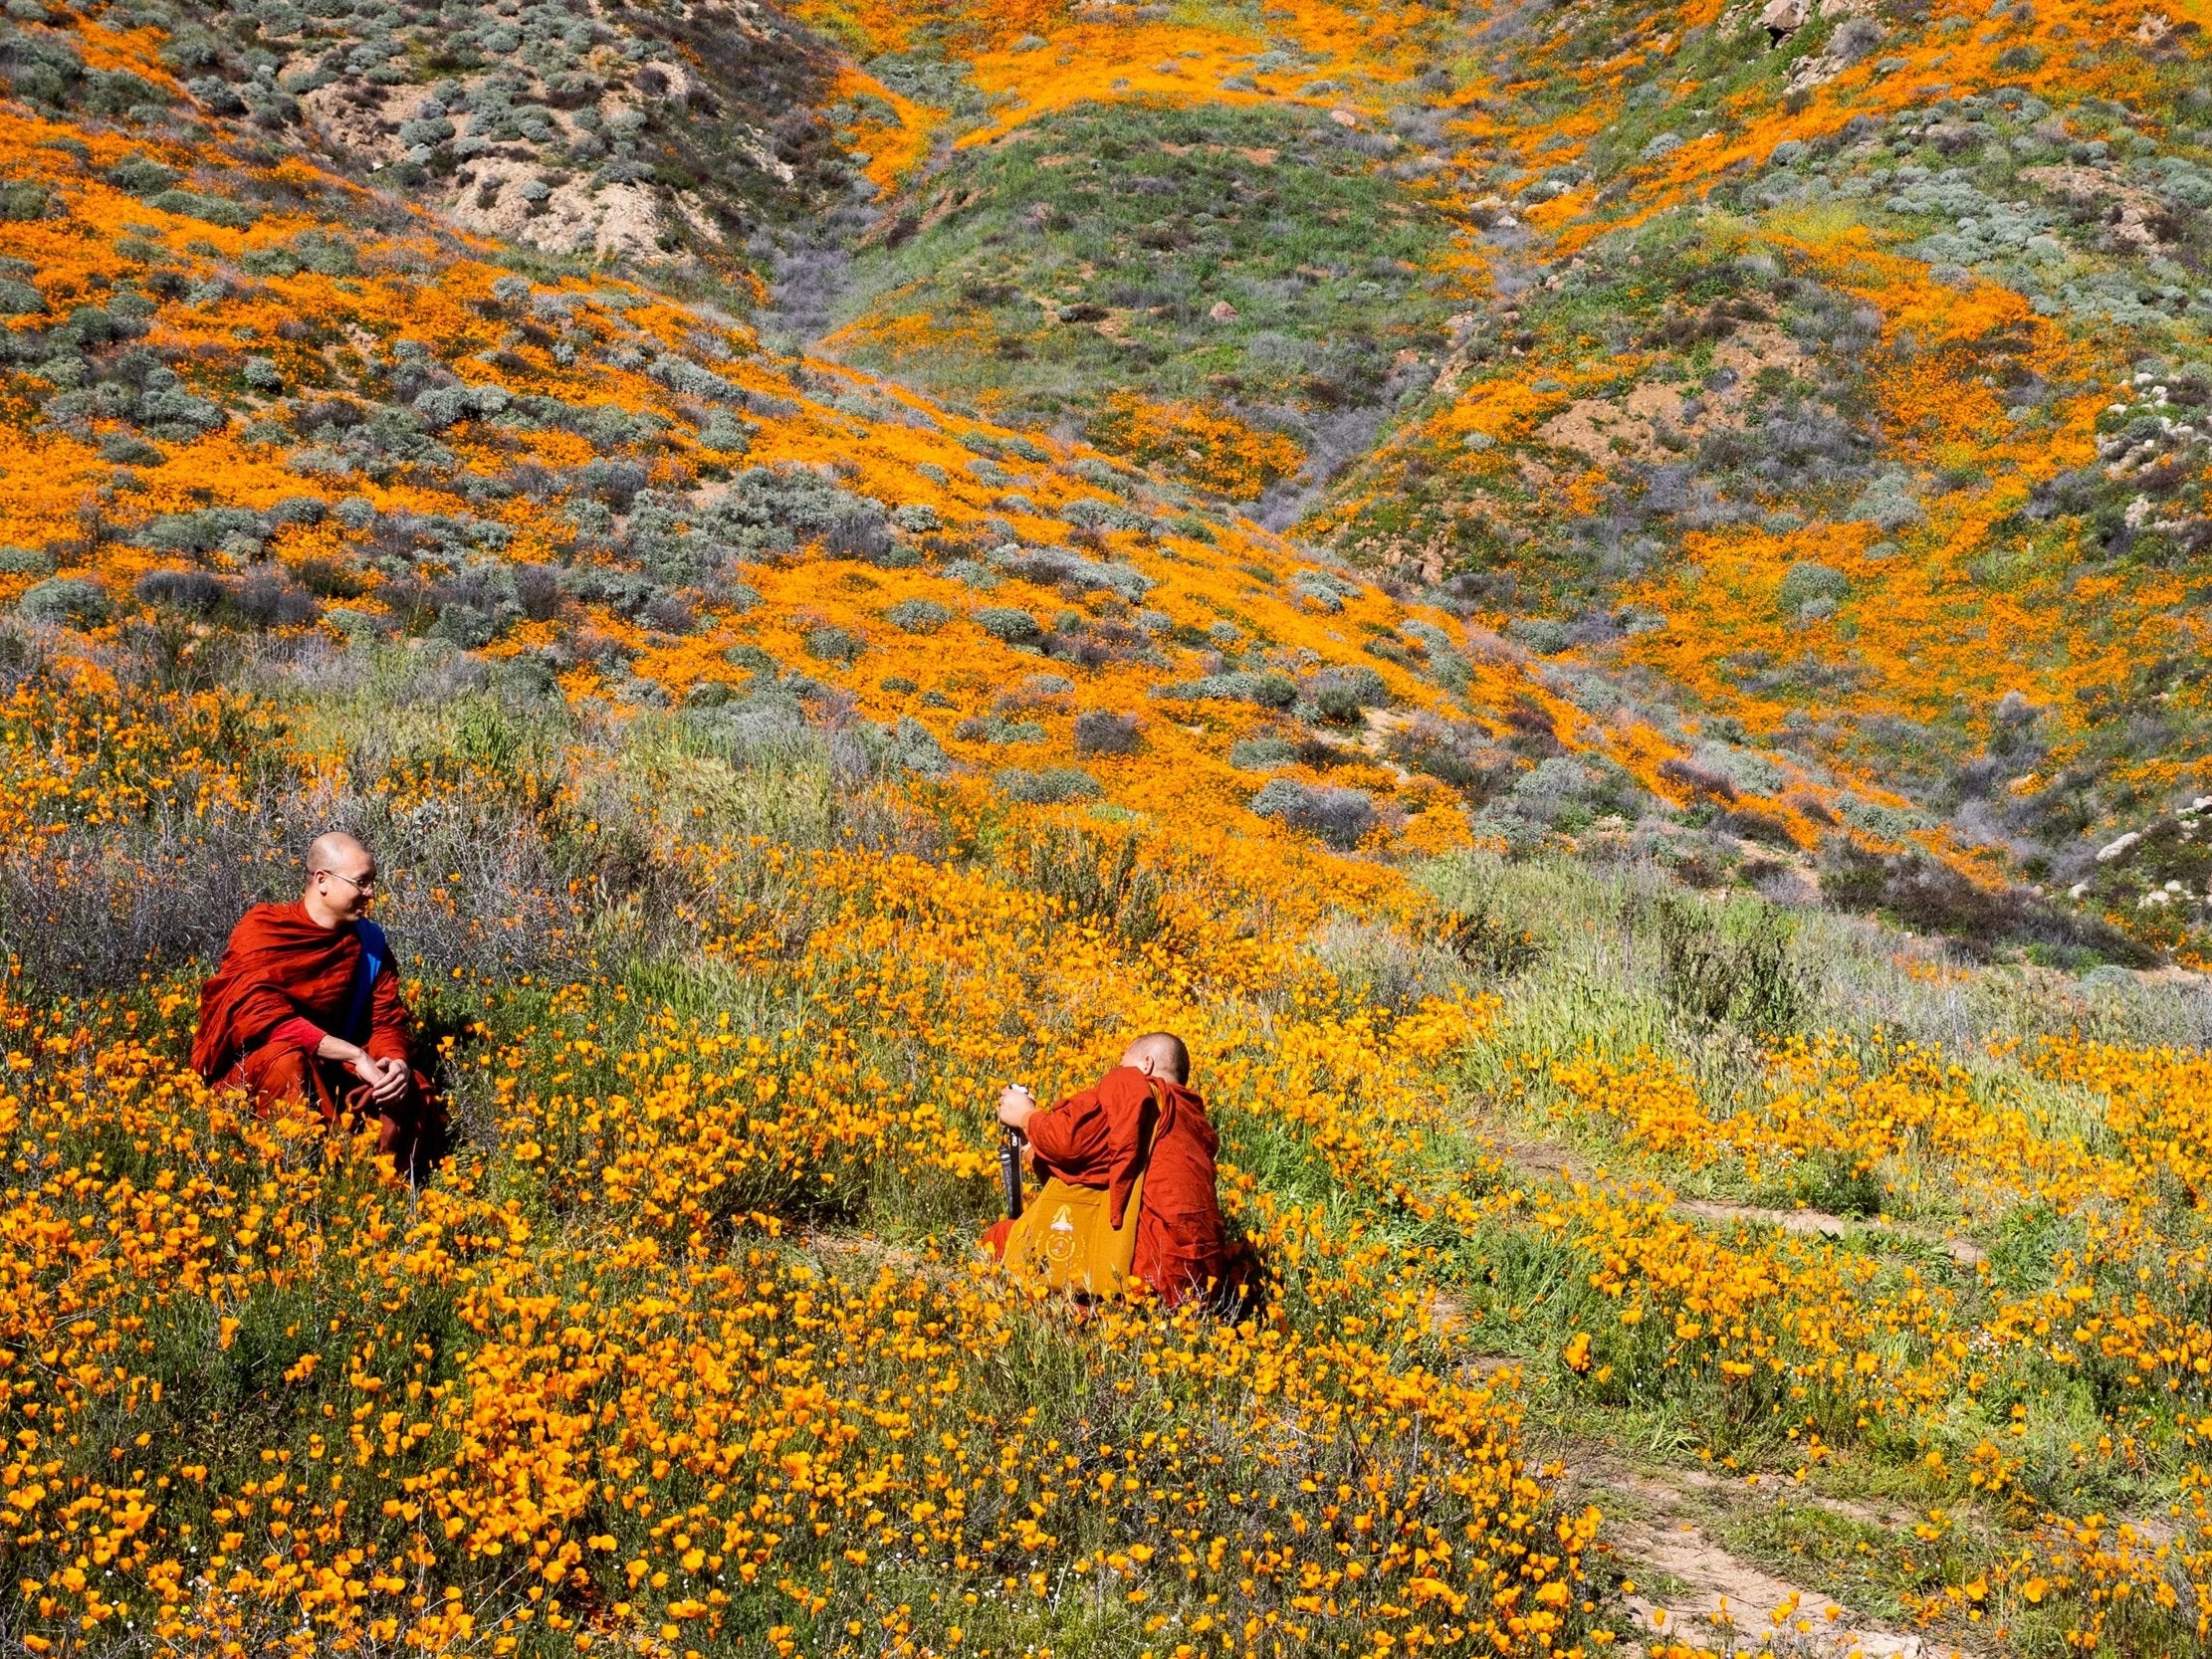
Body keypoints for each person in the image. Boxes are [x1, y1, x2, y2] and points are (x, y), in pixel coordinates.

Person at [191, 832, 440, 1178]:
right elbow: (262, 1016)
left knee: (406, 1085)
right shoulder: (263, 928)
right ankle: (296, 1172)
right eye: (362, 882)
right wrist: (355, 1056)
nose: (370, 893)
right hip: (265, 1066)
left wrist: (393, 1062)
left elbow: (386, 1019)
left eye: (372, 882)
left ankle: (375, 1183)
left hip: (333, 1070)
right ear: (322, 880)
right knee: (286, 1061)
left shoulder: (369, 943)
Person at [984, 1032, 1229, 1307]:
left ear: (1146, 1064)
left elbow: (1069, 1142)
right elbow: (1099, 1173)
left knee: (1000, 1238)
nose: (1119, 1070)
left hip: (1147, 1277)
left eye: (1124, 1062)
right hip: (1202, 1284)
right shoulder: (1190, 1117)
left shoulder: (1133, 1088)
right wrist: (1031, 1150)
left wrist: (1026, 1115)